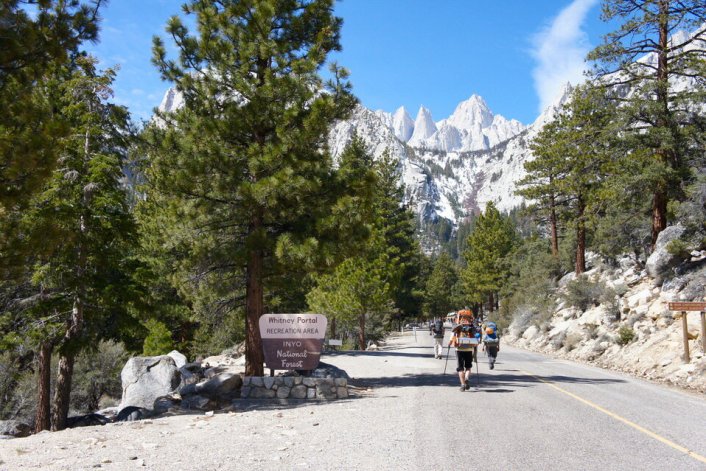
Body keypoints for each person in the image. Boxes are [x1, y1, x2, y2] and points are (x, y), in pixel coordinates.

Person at [448, 309, 480, 391]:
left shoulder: (457, 326)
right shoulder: (472, 326)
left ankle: (462, 385)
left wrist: (450, 343)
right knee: (468, 367)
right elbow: (477, 335)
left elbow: (452, 335)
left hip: (459, 348)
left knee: (460, 368)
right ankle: (466, 378)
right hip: (469, 348)